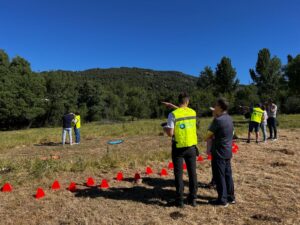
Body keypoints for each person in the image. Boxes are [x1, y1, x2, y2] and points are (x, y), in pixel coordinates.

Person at [163, 93, 198, 208]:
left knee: (178, 174)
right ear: (187, 101)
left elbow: (170, 133)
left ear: (179, 101)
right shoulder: (193, 112)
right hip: (192, 147)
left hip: (178, 148)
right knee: (192, 173)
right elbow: (183, 112)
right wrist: (172, 105)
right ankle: (193, 199)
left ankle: (180, 201)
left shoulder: (173, 114)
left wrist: (164, 127)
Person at [206, 98, 235, 207]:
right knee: (228, 175)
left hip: (218, 151)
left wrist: (214, 117)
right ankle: (231, 197)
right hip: (227, 150)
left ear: (220, 107)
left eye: (216, 105)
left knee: (219, 176)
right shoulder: (229, 118)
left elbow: (207, 135)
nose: (214, 106)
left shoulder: (217, 120)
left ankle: (222, 200)